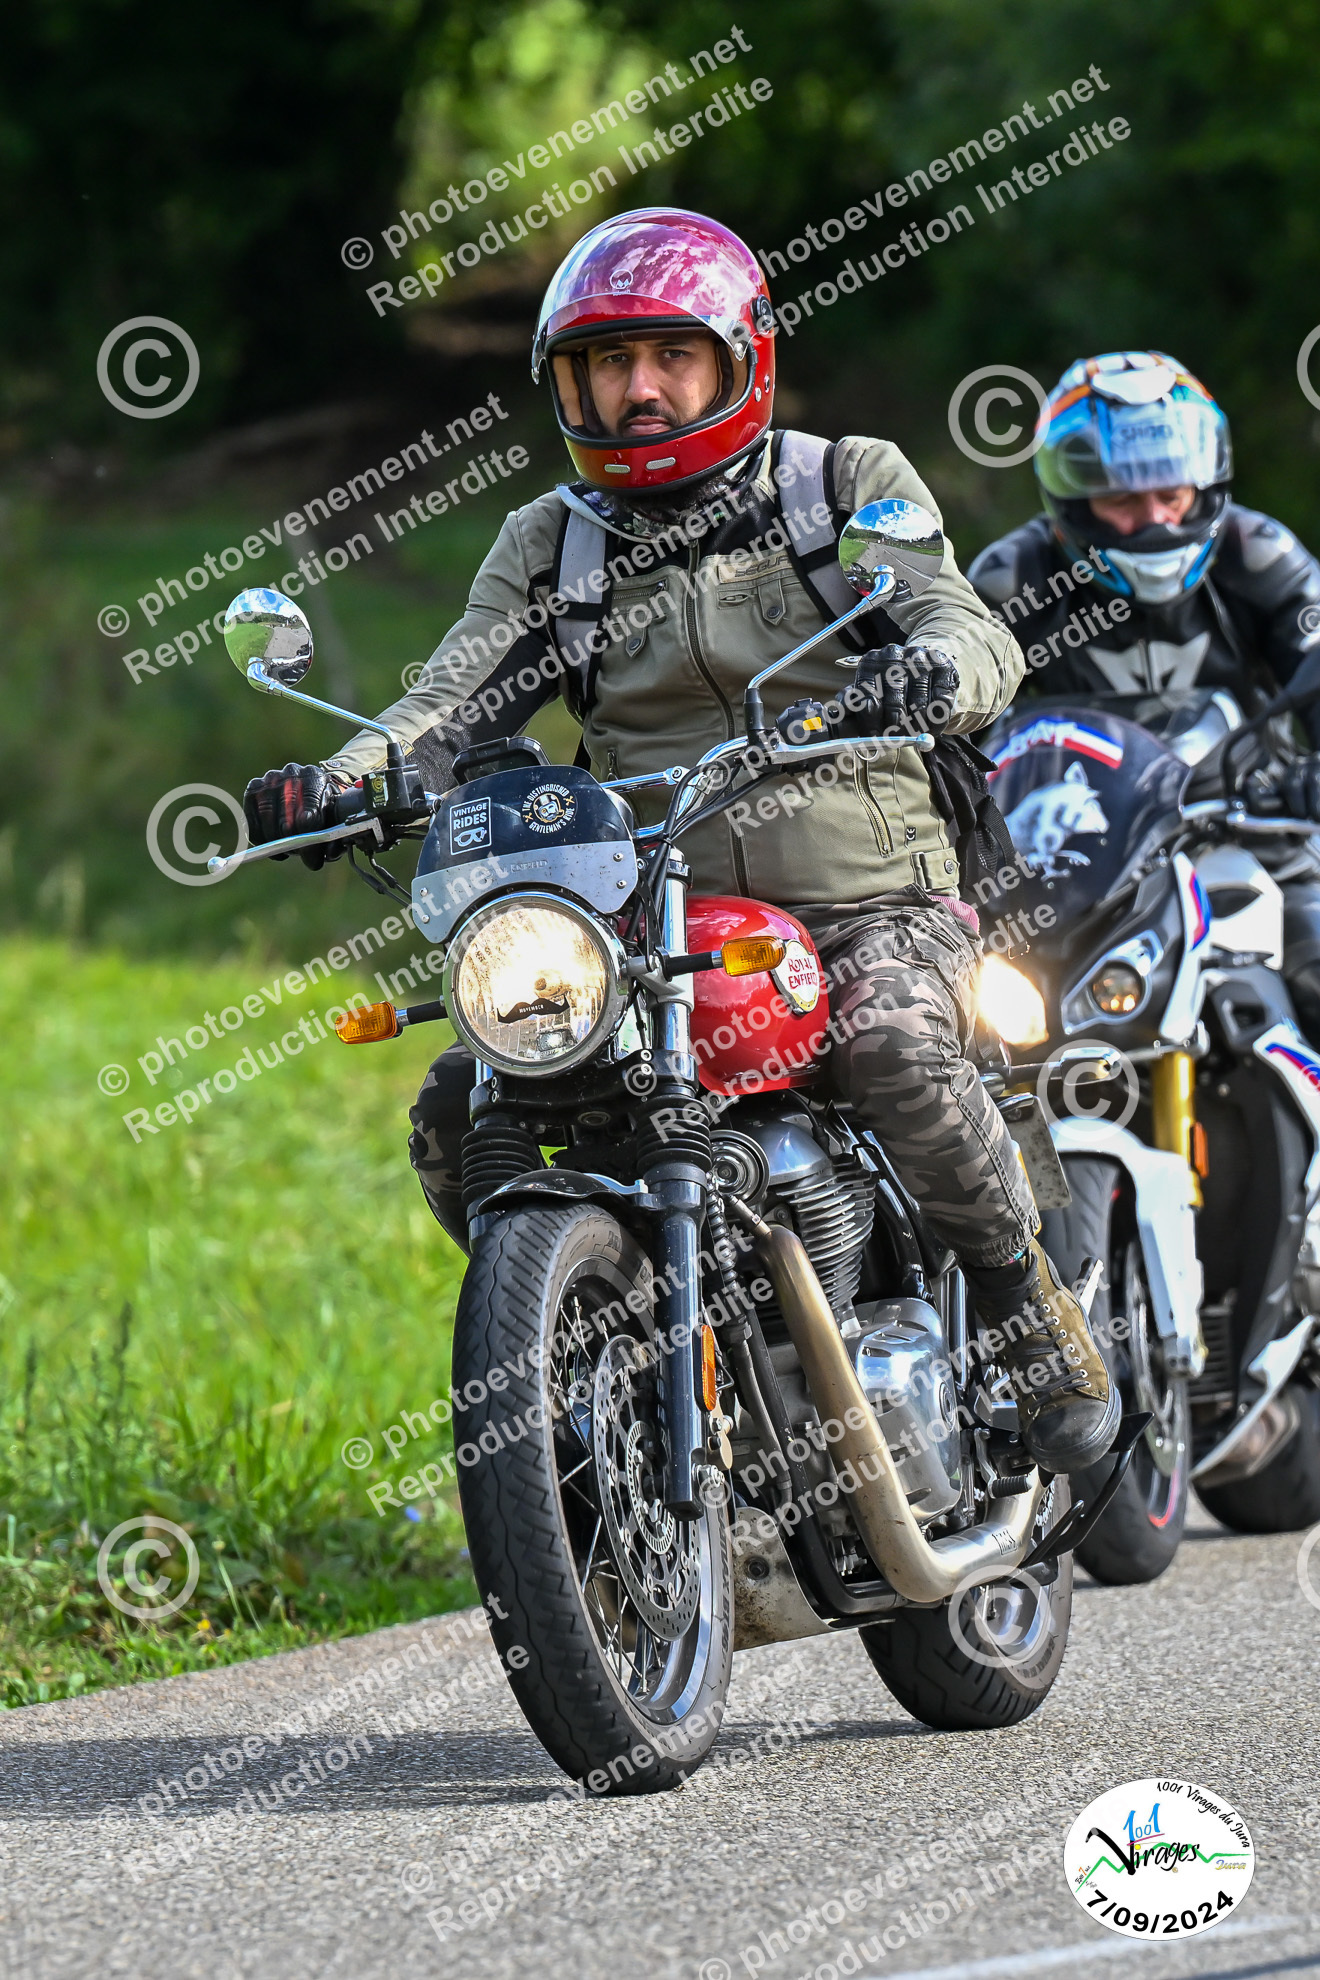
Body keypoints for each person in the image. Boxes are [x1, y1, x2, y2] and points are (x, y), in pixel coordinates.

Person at [243, 207, 1116, 1474]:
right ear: (570, 382)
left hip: (871, 896)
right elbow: (448, 702)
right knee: (462, 1106)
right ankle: (597, 1361)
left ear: (738, 360)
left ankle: (1028, 1312)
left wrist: (933, 671)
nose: (639, 389)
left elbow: (964, 624)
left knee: (896, 1050)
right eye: (609, 362)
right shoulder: (554, 543)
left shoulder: (840, 487)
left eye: (671, 357)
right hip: (649, 918)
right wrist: (339, 783)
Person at [969, 348, 1320, 1032]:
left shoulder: (1260, 554)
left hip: (1257, 834)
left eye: (1172, 494)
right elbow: (953, 730)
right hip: (1071, 865)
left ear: (1206, 485)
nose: (1156, 520)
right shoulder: (1015, 577)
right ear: (1073, 500)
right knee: (961, 1025)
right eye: (1124, 500)